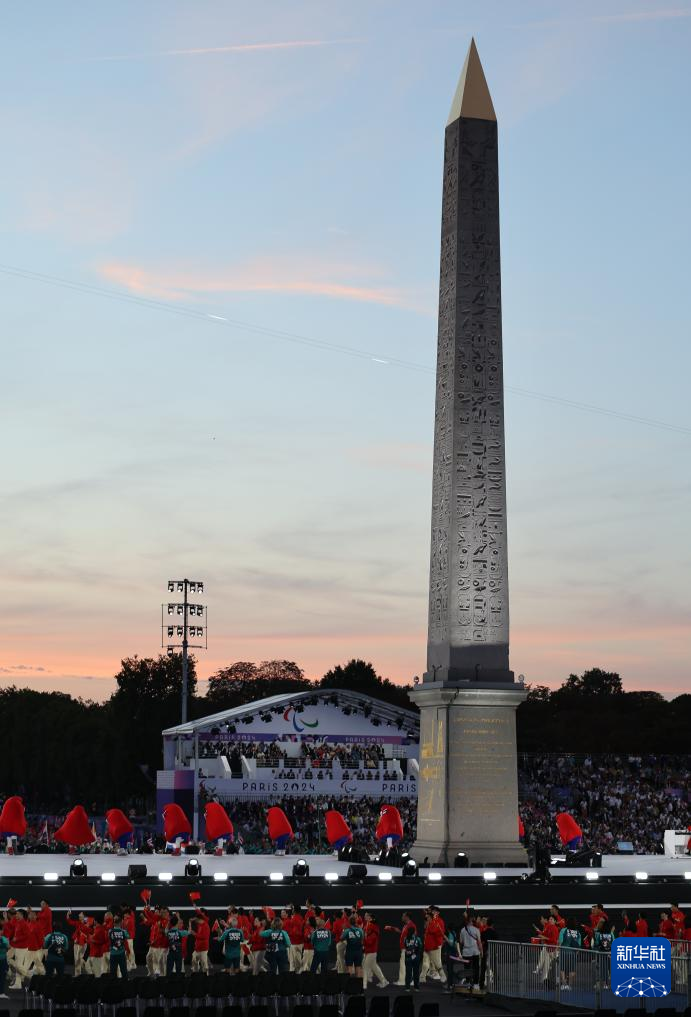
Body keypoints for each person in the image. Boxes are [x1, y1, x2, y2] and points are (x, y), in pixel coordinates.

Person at [362, 912, 388, 989]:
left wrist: (363, 939)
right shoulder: (367, 926)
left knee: (365, 967)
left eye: (368, 916)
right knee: (374, 967)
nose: (366, 917)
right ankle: (384, 981)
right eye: (366, 916)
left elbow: (370, 941)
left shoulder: (373, 927)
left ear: (372, 918)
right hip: (368, 950)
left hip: (372, 951)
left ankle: (364, 985)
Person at [421, 907, 446, 983]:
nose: (433, 912)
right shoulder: (429, 922)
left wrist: (432, 922)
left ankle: (442, 976)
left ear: (438, 912)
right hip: (427, 946)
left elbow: (437, 932)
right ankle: (422, 977)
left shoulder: (439, 921)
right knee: (425, 963)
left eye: (434, 911)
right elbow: (426, 930)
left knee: (437, 963)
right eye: (432, 911)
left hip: (436, 946)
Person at [558, 918, 582, 992]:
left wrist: (558, 950)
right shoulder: (578, 933)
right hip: (573, 953)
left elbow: (560, 942)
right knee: (572, 970)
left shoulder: (563, 930)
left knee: (562, 968)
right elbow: (579, 945)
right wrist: (576, 953)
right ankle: (569, 985)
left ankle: (563, 984)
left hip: (563, 952)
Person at [459, 916, 482, 991]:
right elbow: (479, 942)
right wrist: (481, 951)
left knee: (467, 968)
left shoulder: (462, 930)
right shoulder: (476, 930)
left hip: (466, 952)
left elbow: (461, 942)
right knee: (476, 968)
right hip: (475, 951)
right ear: (471, 921)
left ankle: (468, 983)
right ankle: (476, 984)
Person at [67, 911, 89, 975]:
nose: (79, 915)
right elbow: (69, 921)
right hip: (76, 944)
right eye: (79, 914)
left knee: (80, 959)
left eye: (81, 914)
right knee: (76, 960)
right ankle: (77, 975)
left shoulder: (87, 924)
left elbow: (89, 934)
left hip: (83, 944)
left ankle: (89, 969)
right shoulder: (77, 923)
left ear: (84, 916)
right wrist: (68, 915)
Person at [403, 923, 423, 991]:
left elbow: (405, 946)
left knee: (408, 973)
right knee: (416, 973)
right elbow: (420, 948)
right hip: (416, 958)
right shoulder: (418, 939)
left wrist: (409, 952)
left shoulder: (405, 939)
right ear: (414, 931)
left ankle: (407, 987)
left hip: (408, 958)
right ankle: (416, 987)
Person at [480, 917, 496, 990]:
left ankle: (481, 984)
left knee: (483, 969)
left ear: (486, 924)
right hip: (492, 951)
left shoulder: (483, 932)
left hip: (485, 951)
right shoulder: (495, 933)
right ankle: (495, 984)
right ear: (492, 924)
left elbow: (481, 943)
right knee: (494, 968)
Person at [0, 924, 9, 999]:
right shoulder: (5, 939)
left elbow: (8, 948)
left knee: (2, 977)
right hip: (2, 960)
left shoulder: (4, 939)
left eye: (1, 930)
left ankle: (1, 993)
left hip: (3, 960)